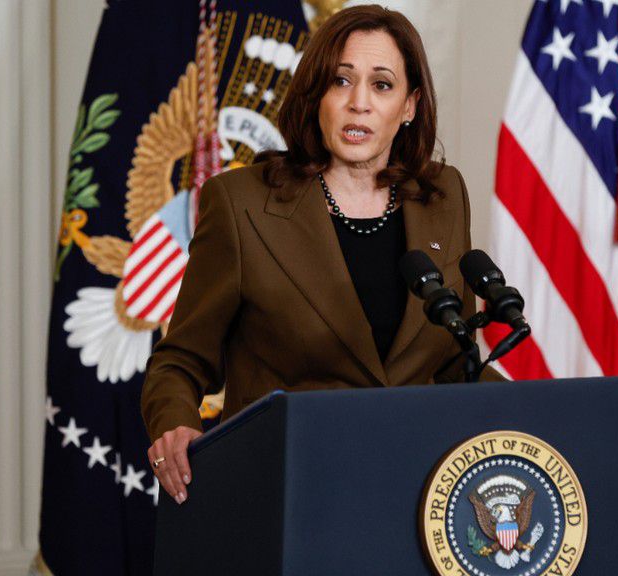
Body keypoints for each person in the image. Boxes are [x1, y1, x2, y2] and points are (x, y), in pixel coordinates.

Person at [141, 4, 502, 506]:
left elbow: (454, 361)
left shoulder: (442, 194)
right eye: (340, 80)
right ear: (316, 95)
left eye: (381, 85)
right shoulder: (242, 203)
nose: (359, 103)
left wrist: (532, 414)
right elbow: (179, 360)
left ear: (410, 105)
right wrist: (175, 427)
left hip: (419, 489)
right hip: (288, 488)